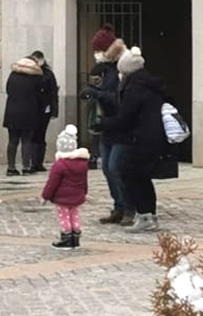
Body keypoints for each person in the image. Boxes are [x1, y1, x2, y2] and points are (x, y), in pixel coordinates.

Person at [101, 47, 167, 232]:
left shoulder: (135, 88)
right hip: (152, 137)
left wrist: (105, 124)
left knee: (132, 175)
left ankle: (143, 214)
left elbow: (125, 117)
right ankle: (150, 215)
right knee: (143, 177)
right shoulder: (150, 84)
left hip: (140, 138)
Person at [81, 27, 131, 225]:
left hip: (120, 126)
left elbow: (120, 99)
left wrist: (98, 94)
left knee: (116, 167)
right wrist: (93, 91)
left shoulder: (122, 68)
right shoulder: (106, 70)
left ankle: (129, 207)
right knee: (108, 169)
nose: (95, 54)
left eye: (98, 50)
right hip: (107, 126)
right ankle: (119, 206)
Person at [40, 124, 89, 249]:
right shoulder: (82, 164)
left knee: (64, 217)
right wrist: (84, 192)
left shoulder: (59, 165)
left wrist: (45, 197)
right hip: (77, 196)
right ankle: (76, 237)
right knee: (75, 215)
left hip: (62, 198)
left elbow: (52, 183)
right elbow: (84, 181)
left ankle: (66, 238)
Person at [2, 56, 46, 176]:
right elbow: (40, 95)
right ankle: (26, 167)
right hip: (29, 111)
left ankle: (11, 167)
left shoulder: (13, 75)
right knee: (27, 140)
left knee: (12, 140)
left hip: (12, 110)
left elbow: (8, 90)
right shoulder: (35, 78)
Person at [28, 51, 58, 172]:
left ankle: (38, 162)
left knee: (40, 135)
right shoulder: (30, 73)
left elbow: (53, 93)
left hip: (44, 109)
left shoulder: (48, 74)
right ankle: (33, 162)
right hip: (31, 108)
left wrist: (54, 111)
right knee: (32, 135)